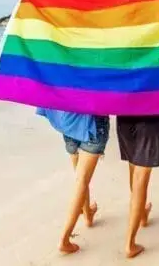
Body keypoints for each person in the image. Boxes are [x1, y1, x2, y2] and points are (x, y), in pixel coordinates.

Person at [36, 109, 110, 254]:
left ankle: (88, 213)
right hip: (92, 125)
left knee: (80, 178)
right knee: (81, 181)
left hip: (68, 120)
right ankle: (64, 240)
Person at [116, 114, 159, 258]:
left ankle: (142, 213)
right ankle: (130, 244)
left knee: (133, 167)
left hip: (124, 119)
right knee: (140, 178)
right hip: (149, 119)